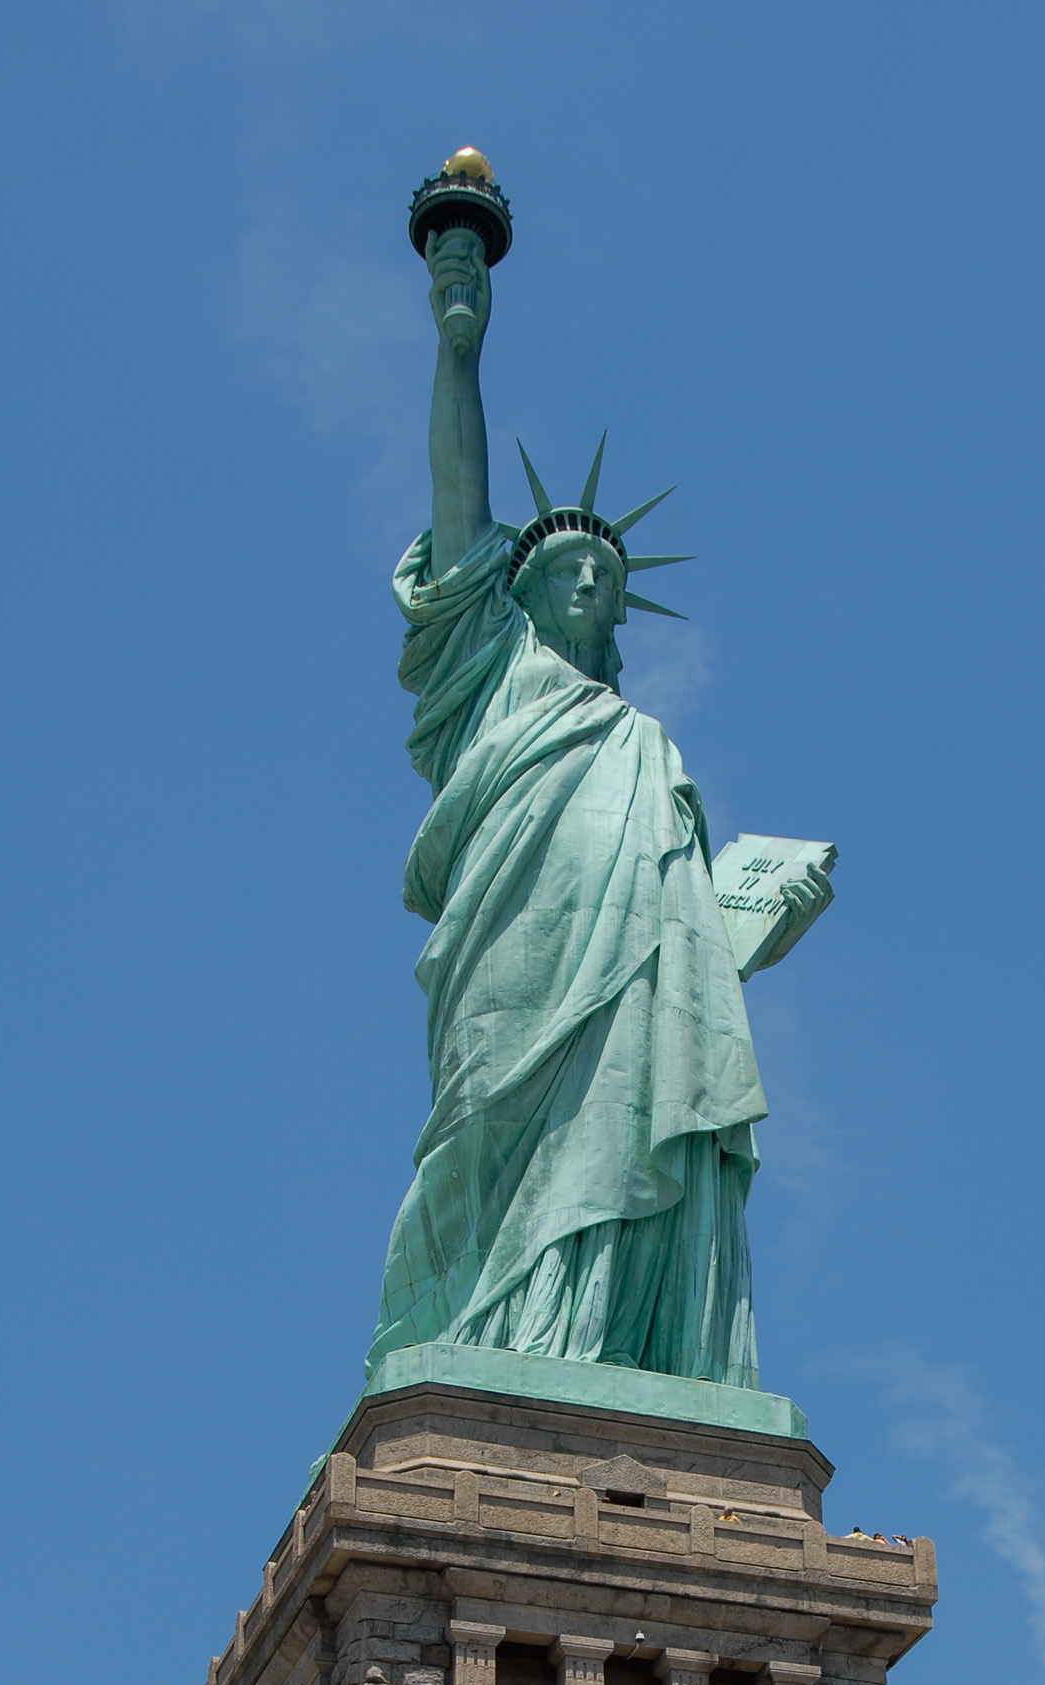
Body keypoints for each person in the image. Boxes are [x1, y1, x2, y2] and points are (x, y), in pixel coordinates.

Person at [366, 227, 831, 1391]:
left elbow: (687, 933)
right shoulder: (486, 678)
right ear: (511, 594)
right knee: (486, 1140)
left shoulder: (644, 742)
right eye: (565, 570)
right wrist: (458, 343)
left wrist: (745, 923)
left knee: (630, 1121)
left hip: (634, 978)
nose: (587, 582)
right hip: (513, 956)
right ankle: (488, 1345)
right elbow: (459, 495)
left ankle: (608, 1351)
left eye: (607, 580)